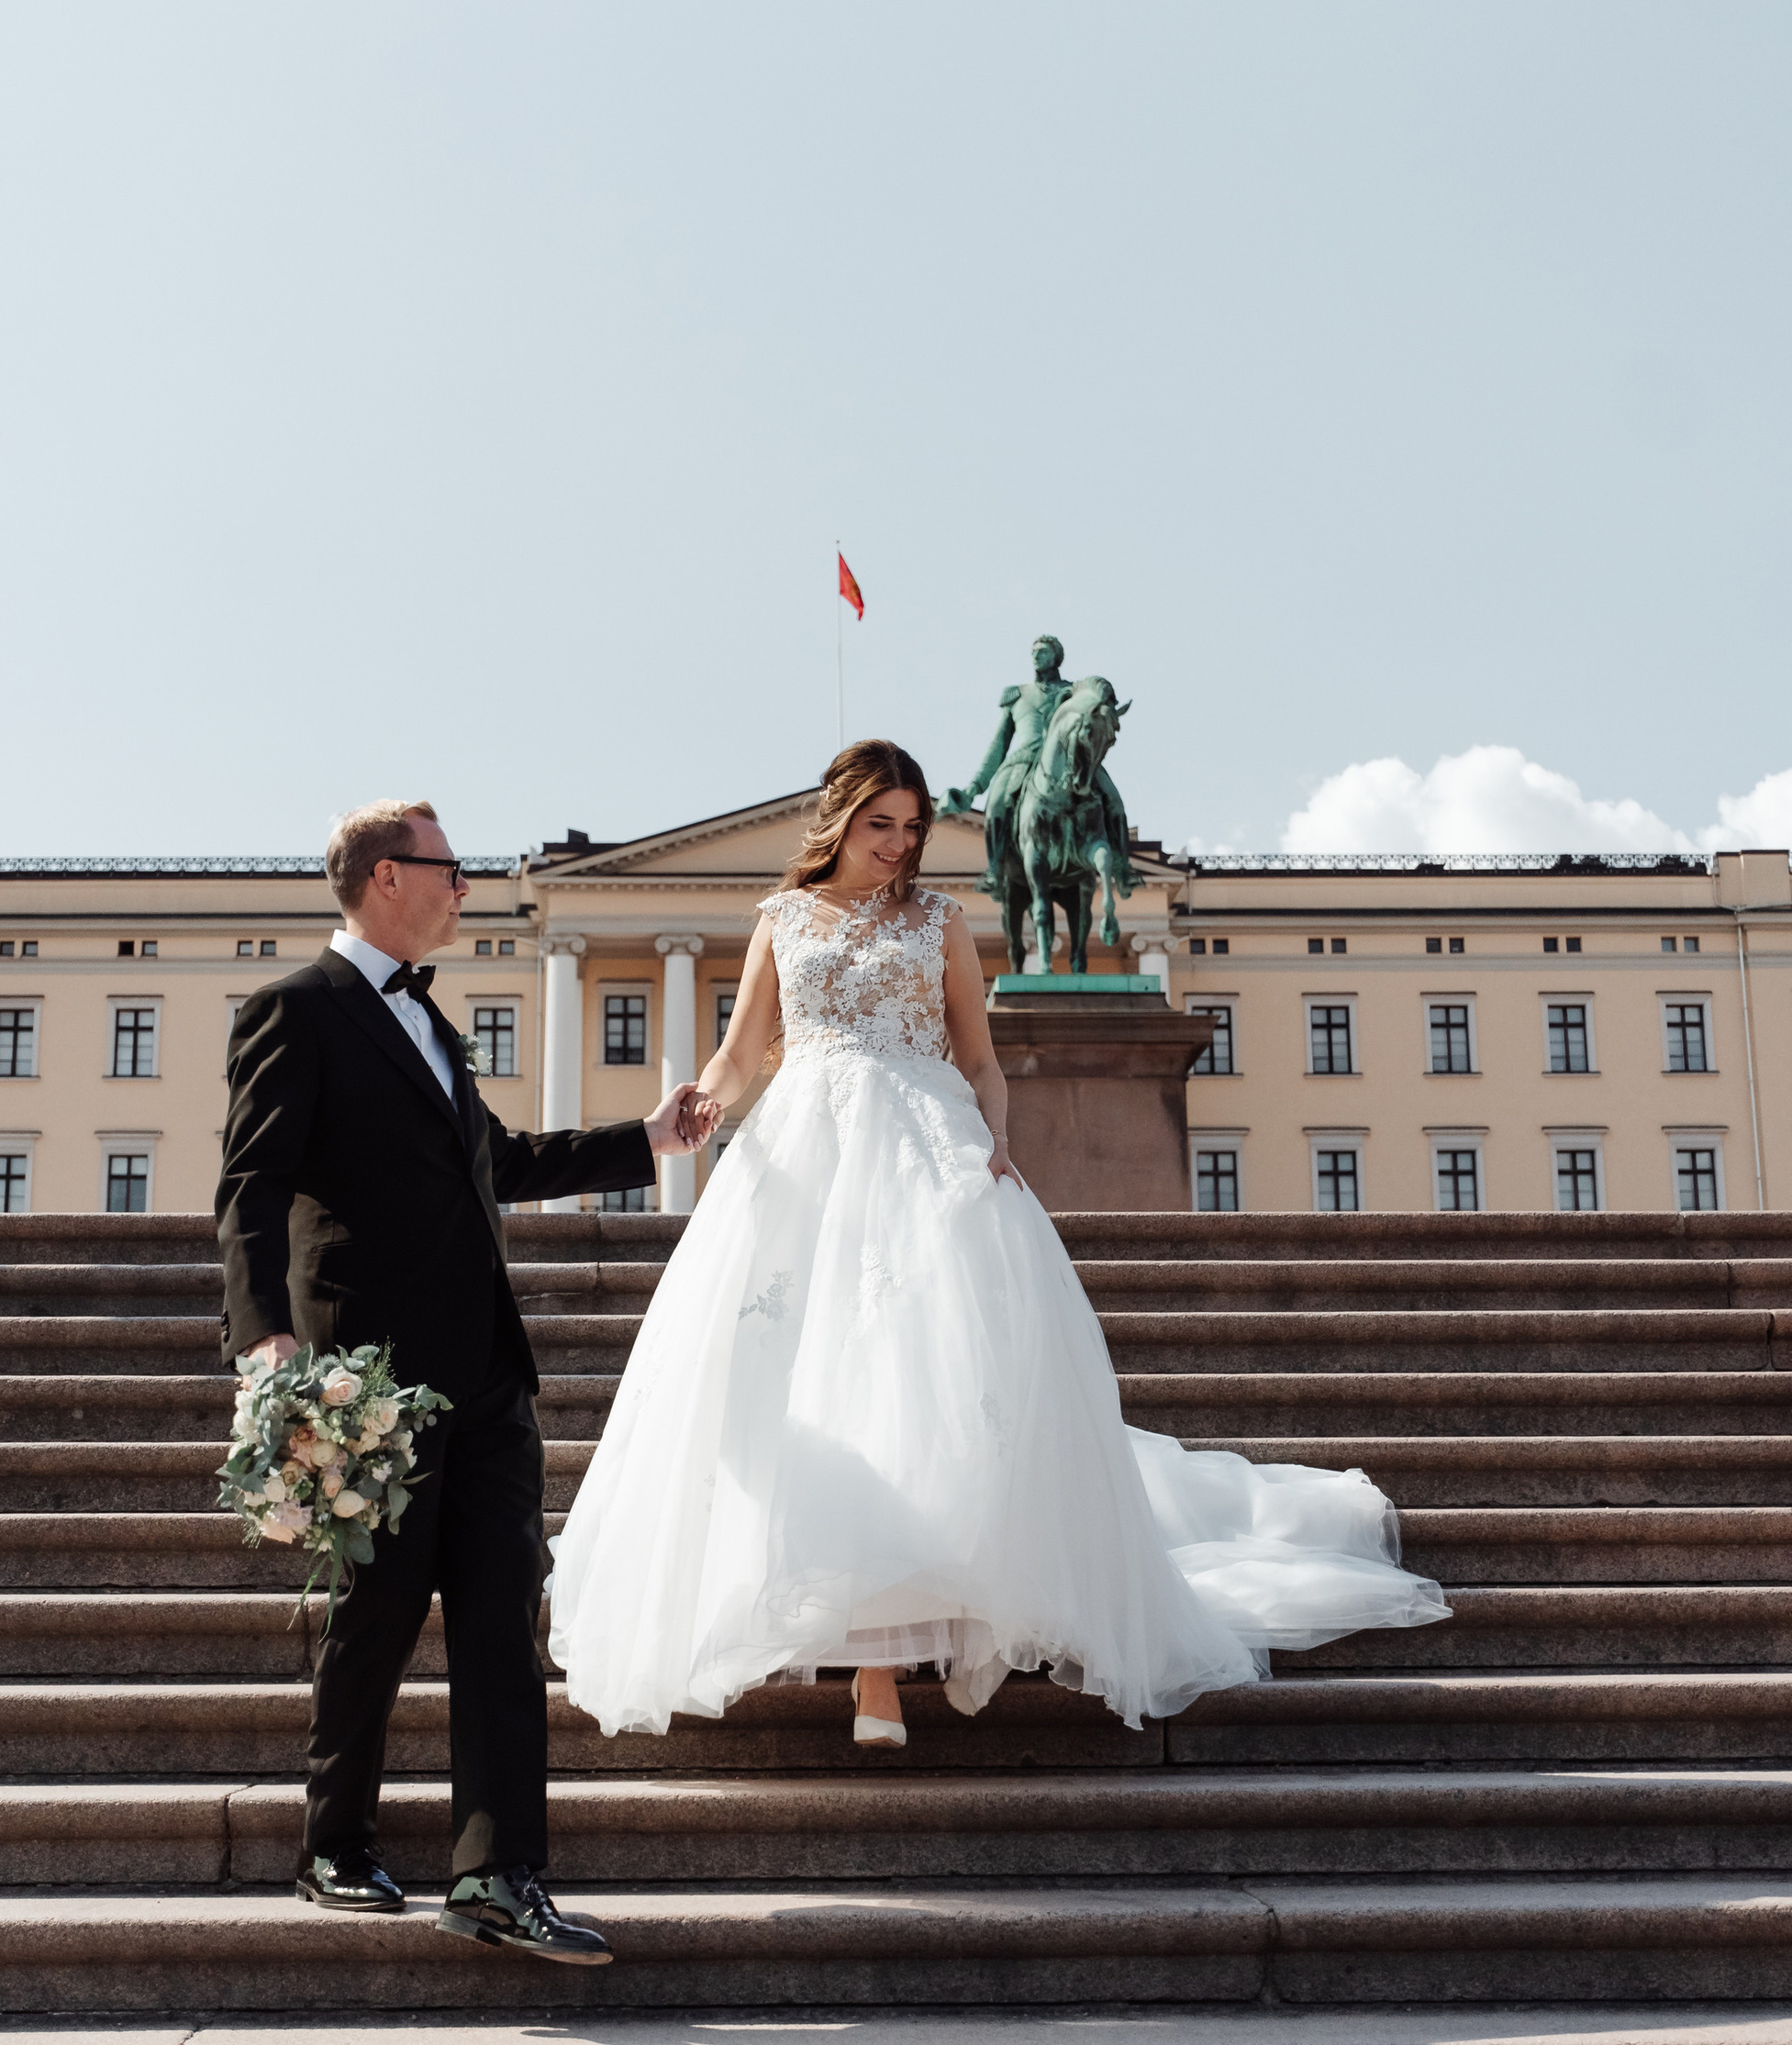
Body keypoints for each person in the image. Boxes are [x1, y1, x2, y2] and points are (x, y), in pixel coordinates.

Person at [548, 739, 1448, 1746]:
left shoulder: (940, 922)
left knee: (911, 1379)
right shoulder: (780, 920)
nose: (895, 845)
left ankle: (881, 1667)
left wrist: (997, 1141)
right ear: (839, 819)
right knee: (807, 1385)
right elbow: (744, 1047)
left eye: (909, 827)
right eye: (877, 823)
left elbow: (979, 1060)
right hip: (802, 1154)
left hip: (925, 1149)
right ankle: (838, 1627)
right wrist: (697, 1106)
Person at [217, 797, 712, 1962]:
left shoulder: (434, 1029)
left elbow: (498, 1162)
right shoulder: (298, 1011)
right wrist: (266, 1337)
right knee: (377, 1613)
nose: (466, 889)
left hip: (487, 1374)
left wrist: (644, 1140)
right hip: (370, 1373)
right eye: (453, 870)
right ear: (389, 875)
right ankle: (334, 1845)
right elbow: (250, 1185)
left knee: (501, 1620)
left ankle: (497, 1874)